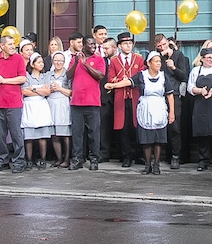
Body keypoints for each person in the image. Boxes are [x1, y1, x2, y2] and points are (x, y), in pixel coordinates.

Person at [0, 33, 28, 173]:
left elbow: (22, 78)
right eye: (10, 44)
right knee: (0, 134)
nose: (13, 46)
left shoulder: (18, 59)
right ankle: (2, 160)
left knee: (16, 133)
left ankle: (19, 161)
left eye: (13, 44)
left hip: (13, 102)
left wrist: (4, 80)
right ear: (2, 45)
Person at [132, 51, 177, 174]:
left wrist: (171, 112)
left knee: (158, 138)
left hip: (159, 107)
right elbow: (129, 82)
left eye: (159, 61)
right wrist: (113, 85)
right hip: (146, 106)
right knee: (146, 138)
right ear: (148, 63)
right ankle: (147, 164)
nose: (158, 63)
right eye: (156, 61)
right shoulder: (141, 75)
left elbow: (170, 95)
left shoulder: (163, 76)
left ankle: (156, 165)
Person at [66, 33, 106, 170]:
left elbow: (100, 75)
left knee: (93, 132)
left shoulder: (99, 59)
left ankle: (94, 158)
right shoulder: (75, 58)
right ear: (83, 45)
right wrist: (77, 62)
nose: (93, 46)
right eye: (90, 44)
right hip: (76, 102)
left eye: (94, 44)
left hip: (92, 102)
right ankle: (77, 159)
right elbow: (68, 75)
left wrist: (85, 65)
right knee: (77, 133)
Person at [104, 32, 143, 167]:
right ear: (119, 46)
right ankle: (126, 156)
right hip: (120, 97)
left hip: (135, 97)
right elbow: (110, 79)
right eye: (125, 43)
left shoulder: (138, 59)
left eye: (130, 43)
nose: (128, 46)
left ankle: (140, 155)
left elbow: (141, 78)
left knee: (137, 126)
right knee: (123, 128)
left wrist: (129, 81)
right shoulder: (114, 60)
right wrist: (123, 80)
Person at [151, 34, 190, 168]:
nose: (162, 47)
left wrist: (173, 67)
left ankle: (175, 156)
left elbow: (184, 75)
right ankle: (161, 156)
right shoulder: (156, 58)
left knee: (174, 126)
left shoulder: (179, 55)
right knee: (159, 125)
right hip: (159, 95)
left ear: (168, 42)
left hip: (174, 94)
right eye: (159, 46)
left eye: (164, 44)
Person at [22, 54, 56, 168]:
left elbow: (47, 92)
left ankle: (42, 159)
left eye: (42, 62)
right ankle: (29, 160)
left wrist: (34, 88)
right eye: (38, 62)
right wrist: (40, 90)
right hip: (29, 105)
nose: (41, 64)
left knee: (42, 135)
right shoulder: (26, 76)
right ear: (32, 64)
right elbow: (24, 91)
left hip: (42, 105)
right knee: (29, 135)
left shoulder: (45, 76)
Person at [47, 50, 73, 166]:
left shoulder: (67, 74)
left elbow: (71, 92)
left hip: (63, 104)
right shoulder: (48, 74)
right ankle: (58, 158)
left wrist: (59, 88)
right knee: (54, 134)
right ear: (52, 61)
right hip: (51, 104)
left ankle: (66, 159)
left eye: (61, 61)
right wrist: (50, 89)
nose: (58, 63)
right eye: (56, 60)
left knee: (65, 133)